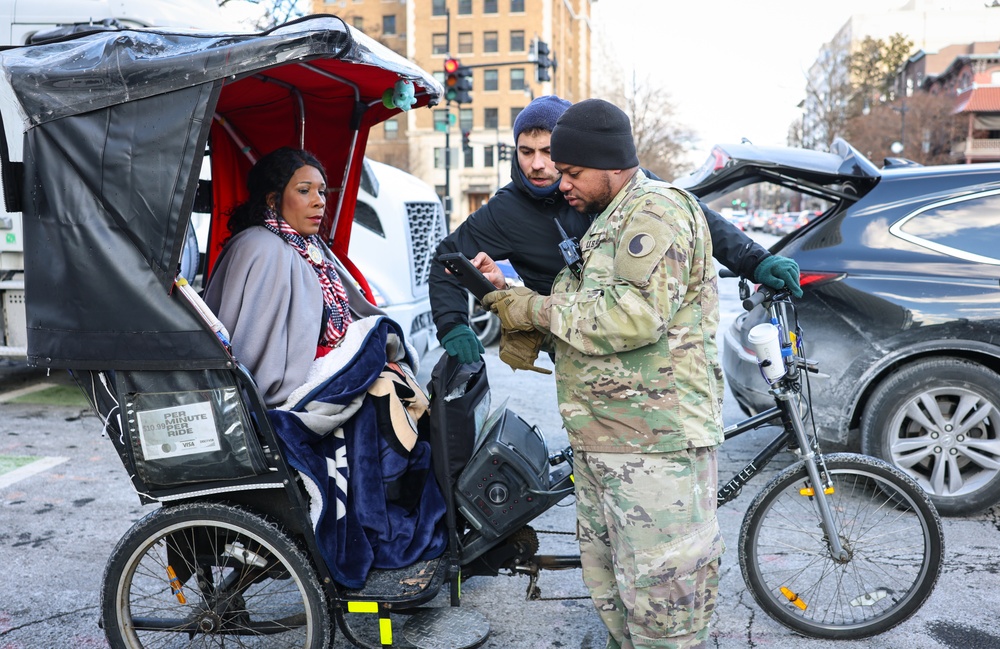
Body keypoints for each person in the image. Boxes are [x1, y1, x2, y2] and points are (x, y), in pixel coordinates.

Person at [483, 99, 725, 648]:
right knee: (615, 594)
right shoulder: (608, 221)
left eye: (572, 172)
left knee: (665, 611)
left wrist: (533, 308)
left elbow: (632, 314)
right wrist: (517, 305)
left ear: (611, 165)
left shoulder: (656, 212)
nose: (560, 182)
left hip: (655, 446)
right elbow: (588, 321)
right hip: (608, 444)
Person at [429, 94, 800, 366]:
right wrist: (453, 325)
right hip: (575, 350)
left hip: (645, 355)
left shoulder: (618, 183)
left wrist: (755, 260)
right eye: (526, 152)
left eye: (549, 153)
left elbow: (696, 216)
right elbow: (447, 260)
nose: (538, 165)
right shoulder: (503, 211)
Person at [203, 147, 381, 406]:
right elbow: (256, 357)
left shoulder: (310, 244)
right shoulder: (262, 248)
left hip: (326, 372)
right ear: (273, 200)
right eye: (304, 190)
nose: (319, 200)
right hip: (289, 397)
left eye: (321, 191)